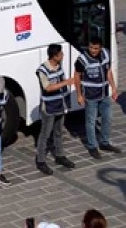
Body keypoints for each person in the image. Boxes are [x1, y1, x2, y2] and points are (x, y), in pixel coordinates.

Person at [75, 36, 120, 159]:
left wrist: (114, 87)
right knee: (90, 121)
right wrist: (79, 95)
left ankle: (104, 142)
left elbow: (108, 71)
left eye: (95, 48)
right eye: (91, 47)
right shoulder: (82, 59)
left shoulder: (106, 54)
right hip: (90, 96)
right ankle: (92, 146)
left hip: (104, 94)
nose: (93, 50)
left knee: (108, 118)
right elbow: (77, 76)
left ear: (100, 48)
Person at [35, 44, 77, 175]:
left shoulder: (59, 66)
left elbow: (61, 82)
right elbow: (47, 87)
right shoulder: (43, 70)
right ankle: (41, 160)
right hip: (49, 107)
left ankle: (60, 155)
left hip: (60, 105)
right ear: (55, 56)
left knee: (59, 131)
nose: (63, 56)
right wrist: (66, 83)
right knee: (45, 134)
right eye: (61, 54)